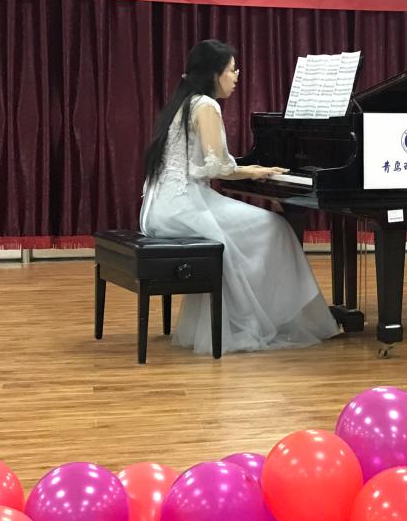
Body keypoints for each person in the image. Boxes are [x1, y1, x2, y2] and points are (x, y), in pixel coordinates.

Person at [140, 39, 340, 353]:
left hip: (163, 207)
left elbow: (208, 166)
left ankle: (259, 313)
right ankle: (273, 319)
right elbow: (218, 168)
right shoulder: (206, 105)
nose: (237, 76)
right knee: (276, 228)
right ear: (214, 73)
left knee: (259, 231)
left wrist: (254, 171)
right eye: (232, 70)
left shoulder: (182, 102)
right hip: (185, 207)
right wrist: (255, 172)